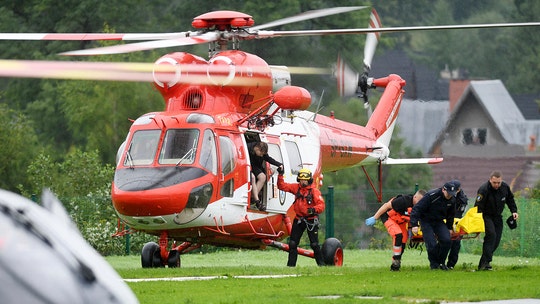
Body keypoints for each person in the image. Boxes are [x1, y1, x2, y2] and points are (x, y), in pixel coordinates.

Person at [365, 189, 426, 271]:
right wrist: (375, 217)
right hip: (389, 217)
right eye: (419, 201)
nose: (420, 203)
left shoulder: (420, 207)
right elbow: (386, 206)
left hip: (401, 221)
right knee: (398, 235)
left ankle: (396, 264)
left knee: (403, 241)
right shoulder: (403, 201)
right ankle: (396, 263)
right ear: (415, 197)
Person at [277, 168, 325, 266]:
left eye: (305, 180)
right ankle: (291, 266)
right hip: (299, 219)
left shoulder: (314, 191)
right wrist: (280, 175)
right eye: (301, 179)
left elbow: (321, 205)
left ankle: (322, 265)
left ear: (309, 180)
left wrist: (314, 210)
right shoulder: (296, 188)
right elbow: (282, 186)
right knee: (293, 243)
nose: (303, 181)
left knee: (314, 244)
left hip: (311, 220)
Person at [474, 171, 518, 271]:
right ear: (490, 180)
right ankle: (486, 263)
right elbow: (477, 207)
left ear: (501, 180)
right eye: (494, 182)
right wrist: (478, 224)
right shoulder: (483, 189)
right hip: (486, 216)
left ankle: (484, 263)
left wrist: (514, 211)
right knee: (491, 235)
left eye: (499, 182)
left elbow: (510, 199)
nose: (497, 185)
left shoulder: (505, 187)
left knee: (496, 240)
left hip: (498, 217)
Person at [410, 181, 458, 270]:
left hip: (439, 221)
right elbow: (416, 209)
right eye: (448, 193)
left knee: (447, 240)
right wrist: (414, 225)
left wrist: (449, 228)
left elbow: (451, 215)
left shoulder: (452, 200)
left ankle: (441, 262)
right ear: (443, 190)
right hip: (426, 221)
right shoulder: (431, 196)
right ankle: (434, 264)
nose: (449, 196)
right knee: (431, 244)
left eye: (452, 194)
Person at [247, 141, 283, 211]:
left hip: (255, 166)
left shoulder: (262, 152)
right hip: (246, 165)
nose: (261, 156)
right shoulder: (247, 147)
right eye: (261, 154)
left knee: (263, 177)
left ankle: (252, 198)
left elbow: (269, 159)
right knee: (252, 177)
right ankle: (256, 201)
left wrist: (279, 164)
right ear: (257, 149)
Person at [446, 180, 468, 270]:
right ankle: (439, 262)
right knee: (445, 243)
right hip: (445, 221)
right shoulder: (446, 195)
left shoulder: (462, 200)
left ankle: (451, 265)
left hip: (457, 222)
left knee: (456, 243)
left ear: (458, 190)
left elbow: (459, 213)